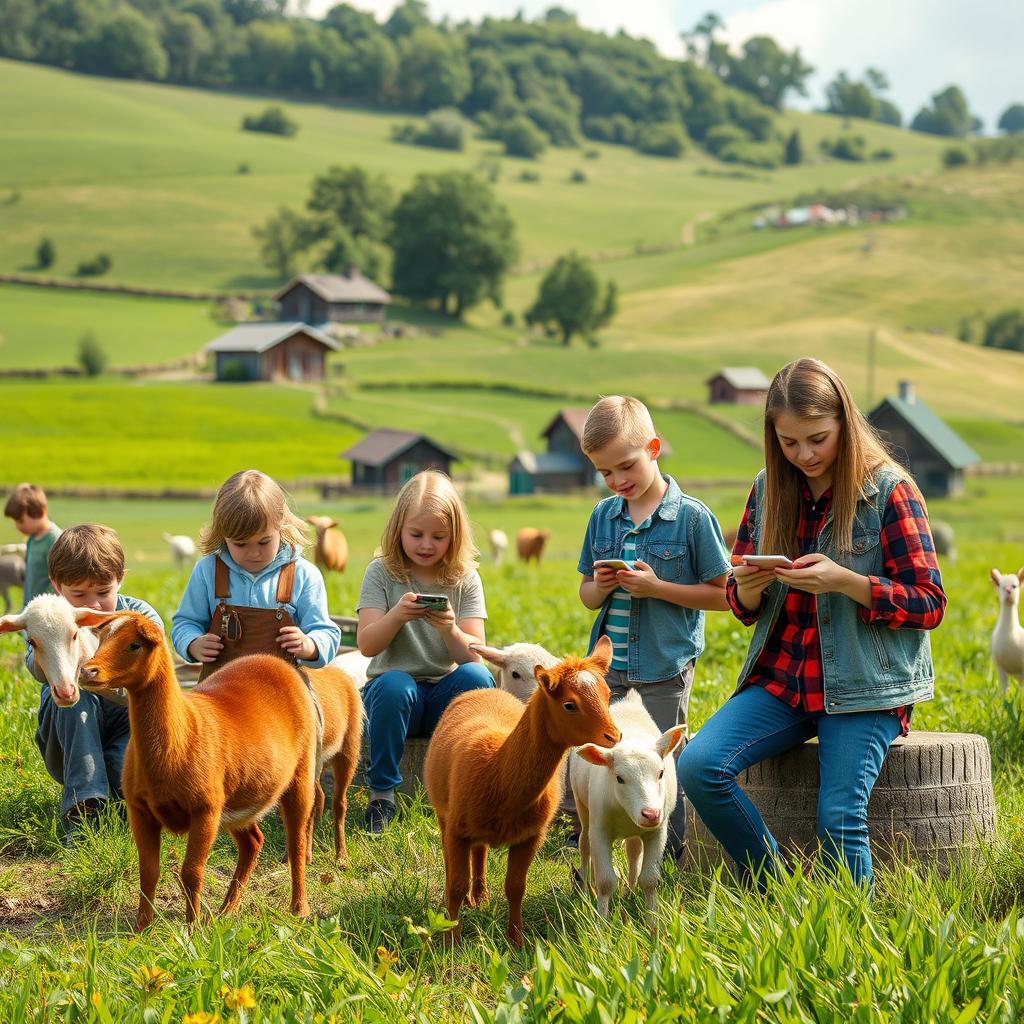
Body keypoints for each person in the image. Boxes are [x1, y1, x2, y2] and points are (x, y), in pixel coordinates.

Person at [677, 357, 946, 891]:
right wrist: (748, 587)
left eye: (818, 439)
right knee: (699, 767)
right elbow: (739, 597)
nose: (804, 455)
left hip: (864, 687)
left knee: (838, 819)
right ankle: (776, 890)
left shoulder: (891, 491)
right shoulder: (769, 487)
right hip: (783, 679)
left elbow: (930, 602)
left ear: (845, 423)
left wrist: (848, 582)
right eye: (789, 443)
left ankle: (850, 935)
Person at [577, 395, 731, 859]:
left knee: (661, 767)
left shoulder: (691, 518)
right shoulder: (603, 517)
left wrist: (658, 587)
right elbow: (586, 595)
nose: (618, 480)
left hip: (664, 667)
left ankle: (669, 854)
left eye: (626, 466)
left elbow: (724, 594)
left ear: (654, 448)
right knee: (610, 763)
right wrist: (601, 586)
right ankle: (596, 842)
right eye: (605, 473)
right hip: (610, 671)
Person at [357, 470, 493, 834]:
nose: (426, 545)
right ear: (398, 529)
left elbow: (473, 657)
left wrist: (449, 628)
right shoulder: (381, 573)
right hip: (392, 698)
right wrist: (397, 616)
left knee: (478, 678)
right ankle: (382, 795)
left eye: (439, 536)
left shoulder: (465, 578)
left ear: (455, 535)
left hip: (442, 699)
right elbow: (367, 644)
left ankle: (470, 786)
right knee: (395, 684)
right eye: (416, 534)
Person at [28, 524, 163, 844]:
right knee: (75, 697)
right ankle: (84, 809)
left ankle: (117, 800)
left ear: (121, 580)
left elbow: (155, 683)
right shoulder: (49, 618)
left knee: (124, 776)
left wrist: (104, 680)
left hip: (125, 722)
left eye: (103, 592)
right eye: (79, 595)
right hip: (67, 735)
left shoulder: (139, 618)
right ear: (57, 587)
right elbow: (36, 669)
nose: (93, 604)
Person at [171, 469, 339, 679]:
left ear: (281, 525)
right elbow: (185, 623)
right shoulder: (208, 570)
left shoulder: (303, 574)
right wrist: (193, 643)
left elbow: (326, 632)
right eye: (240, 544)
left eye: (264, 542)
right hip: (220, 690)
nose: (254, 553)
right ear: (223, 536)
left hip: (283, 691)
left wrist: (309, 645)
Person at [5, 483, 61, 606]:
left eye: (20, 521)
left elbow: (58, 582)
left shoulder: (55, 540)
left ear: (40, 513)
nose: (18, 526)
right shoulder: (32, 539)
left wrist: (40, 606)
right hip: (30, 606)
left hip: (45, 610)